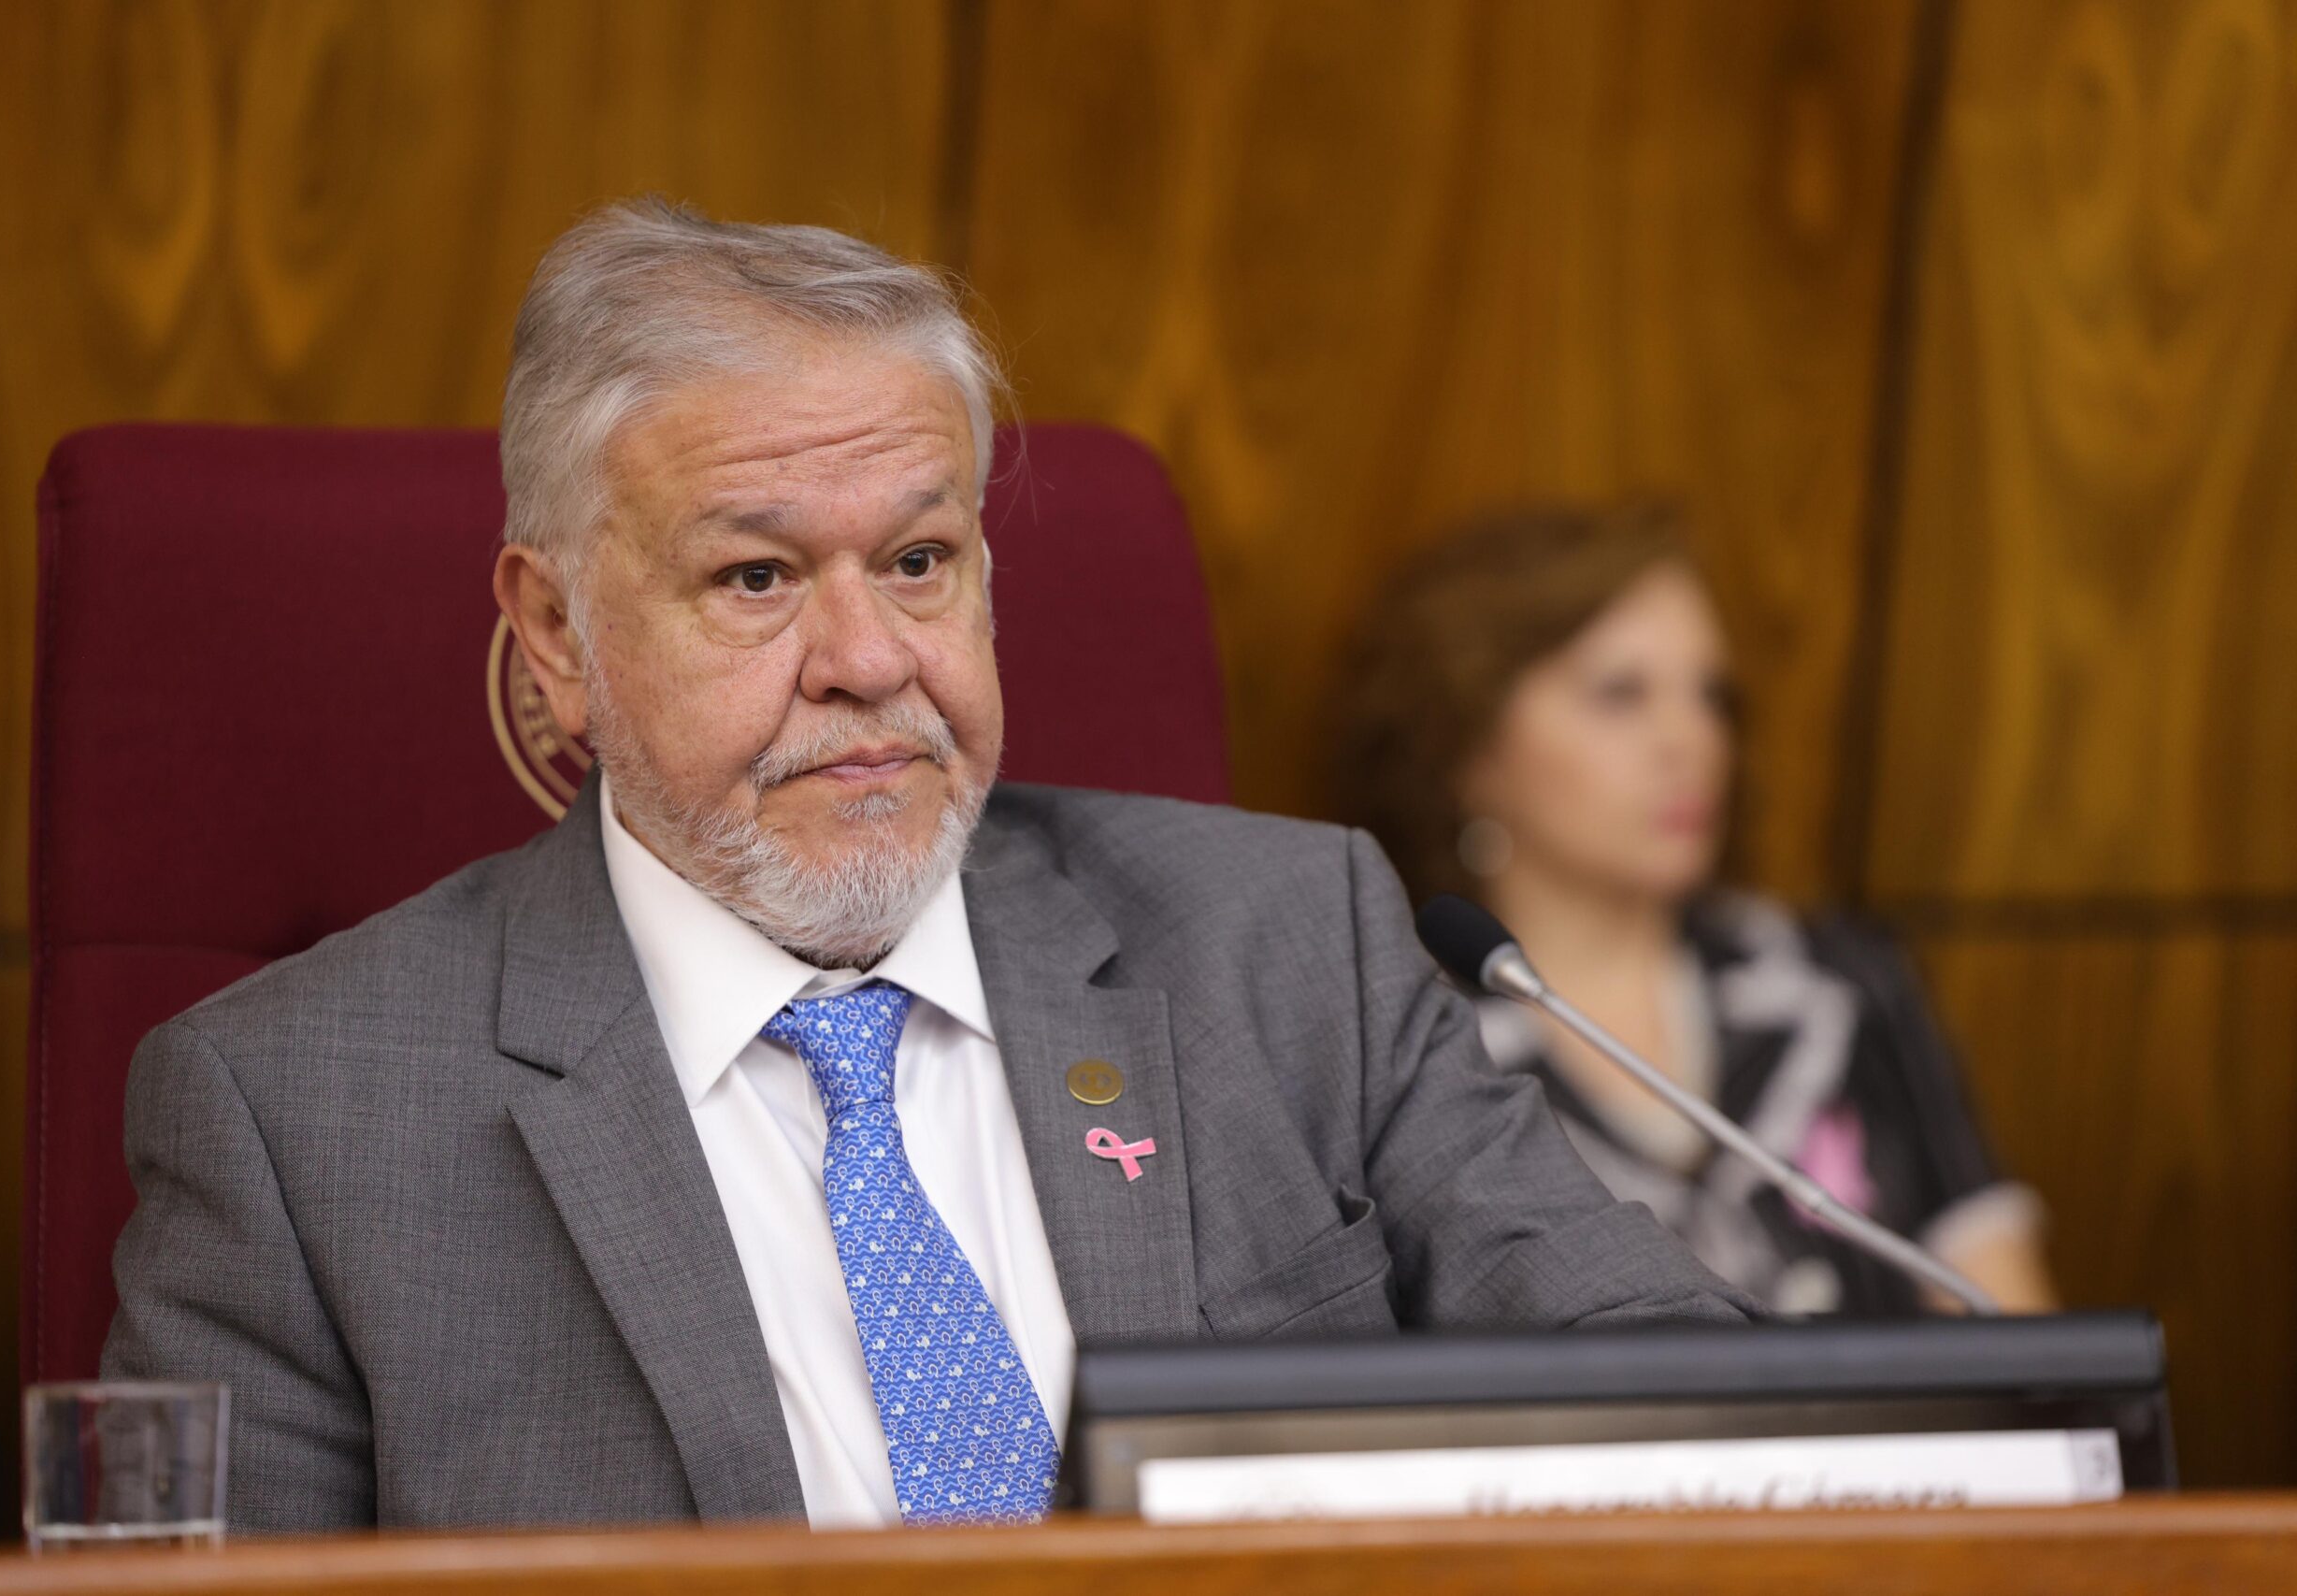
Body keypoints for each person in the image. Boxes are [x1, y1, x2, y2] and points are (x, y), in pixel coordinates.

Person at [102, 201, 1752, 1534]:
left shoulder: (1286, 944)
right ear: (554, 638)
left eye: (917, 560)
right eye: (757, 576)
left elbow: (1680, 1410)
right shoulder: (299, 1116)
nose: (870, 658)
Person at [1331, 505, 2056, 1319]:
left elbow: (2012, 1333)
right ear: (1466, 747)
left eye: (1711, 695)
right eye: (1621, 693)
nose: (1690, 738)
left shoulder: (1837, 978)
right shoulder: (1400, 1051)